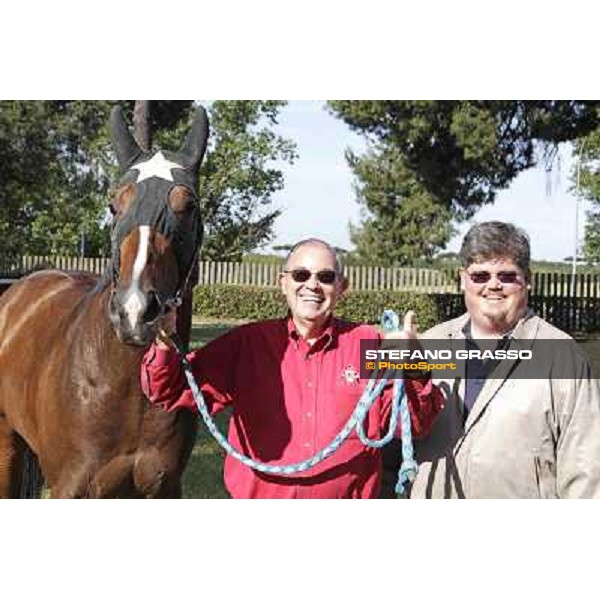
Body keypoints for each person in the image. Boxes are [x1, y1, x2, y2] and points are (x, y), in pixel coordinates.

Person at [141, 238, 443, 499]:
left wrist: (415, 362)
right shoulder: (247, 344)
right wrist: (166, 343)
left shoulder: (368, 344)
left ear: (342, 287)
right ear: (283, 282)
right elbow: (169, 390)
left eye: (325, 276)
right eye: (301, 274)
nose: (312, 284)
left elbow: (416, 424)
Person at [393, 221, 600, 499]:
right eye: (480, 275)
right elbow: (389, 446)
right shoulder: (428, 344)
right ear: (463, 279)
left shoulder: (563, 356)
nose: (493, 285)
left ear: (527, 280)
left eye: (506, 275)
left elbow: (586, 471)